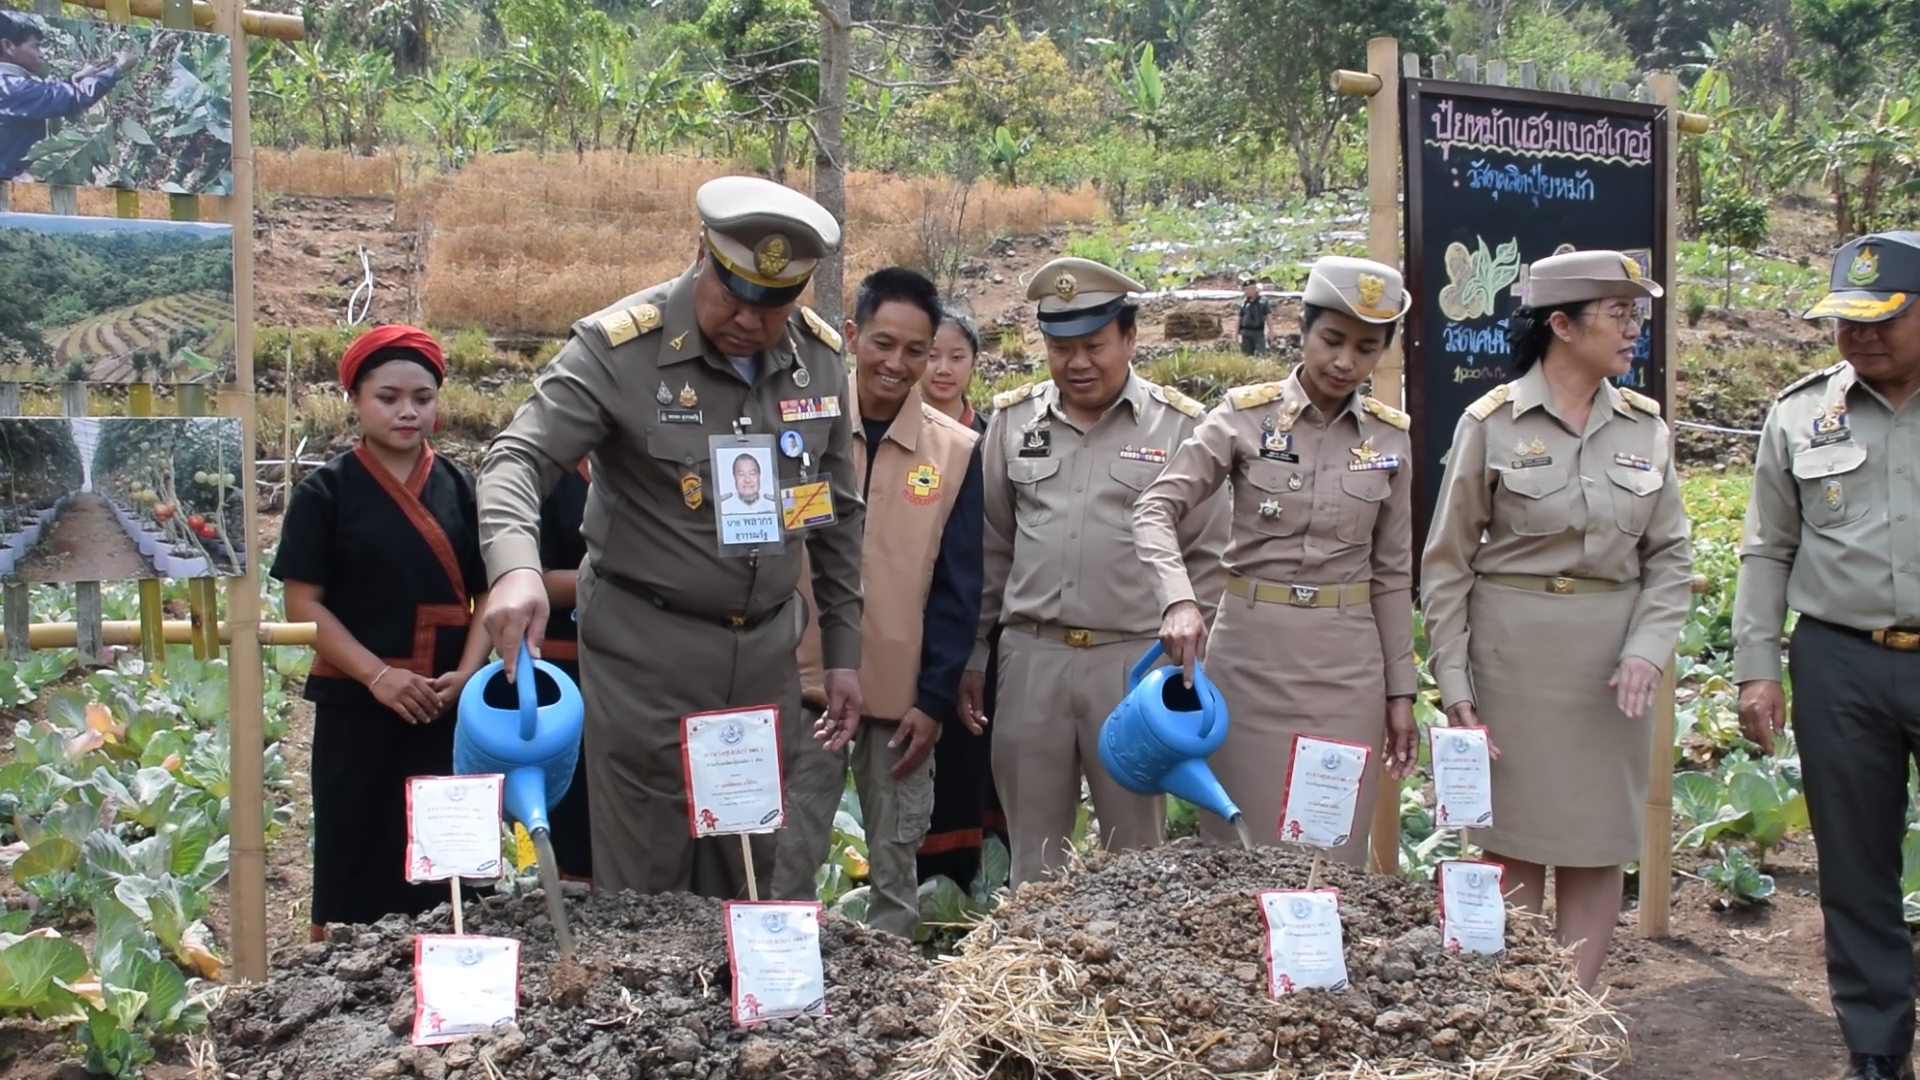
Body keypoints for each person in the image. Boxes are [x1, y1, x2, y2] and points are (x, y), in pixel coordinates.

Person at [476, 176, 867, 899]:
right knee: (647, 884)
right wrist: (515, 568)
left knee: (745, 868)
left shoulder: (816, 359)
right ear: (700, 257)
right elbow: (516, 459)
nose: (748, 320)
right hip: (646, 656)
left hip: (764, 659)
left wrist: (843, 652)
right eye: (733, 295)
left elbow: (836, 514)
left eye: (772, 305)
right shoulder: (620, 349)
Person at [1420, 249, 1693, 990]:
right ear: (1562, 325)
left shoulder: (1644, 428)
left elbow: (1671, 558)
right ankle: (1516, 1008)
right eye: (1618, 313)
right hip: (1512, 665)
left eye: (1636, 314)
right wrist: (1456, 685)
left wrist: (1647, 651)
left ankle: (1573, 1013)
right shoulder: (1491, 423)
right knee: (1510, 843)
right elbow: (1446, 564)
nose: (1633, 329)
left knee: (1596, 845)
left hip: (1610, 673)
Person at [1133, 256, 1419, 865]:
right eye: (1332, 340)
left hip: (1347, 671)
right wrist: (1179, 600)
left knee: (1330, 853)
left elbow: (1394, 574)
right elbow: (1155, 507)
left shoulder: (1389, 438)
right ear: (1302, 329)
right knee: (1242, 853)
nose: (1345, 362)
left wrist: (1401, 693)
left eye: (1366, 348)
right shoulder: (1245, 416)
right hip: (1250, 662)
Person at [965, 256, 1232, 889]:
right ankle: (1035, 951)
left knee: (1135, 860)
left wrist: (1188, 663)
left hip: (1134, 665)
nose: (1077, 363)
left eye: (1094, 345)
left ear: (1130, 338)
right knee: (1034, 859)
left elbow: (1209, 554)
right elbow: (992, 547)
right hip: (1033, 660)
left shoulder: (1180, 427)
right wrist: (975, 653)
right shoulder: (1013, 423)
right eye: (1061, 348)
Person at [1733, 232, 1920, 1080]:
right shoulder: (1801, 413)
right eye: (1847, 321)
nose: (1860, 337)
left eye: (1883, 320)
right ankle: (1876, 1048)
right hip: (1840, 662)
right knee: (1853, 859)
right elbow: (1766, 548)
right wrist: (1756, 668)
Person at [771, 268, 983, 939]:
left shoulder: (955, 451)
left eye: (916, 350)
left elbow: (959, 587)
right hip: (802, 686)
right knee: (788, 852)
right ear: (853, 336)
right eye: (883, 343)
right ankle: (781, 973)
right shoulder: (797, 427)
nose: (897, 363)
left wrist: (934, 699)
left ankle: (890, 984)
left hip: (900, 701)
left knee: (896, 863)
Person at [271, 325, 493, 935]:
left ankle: (457, 960)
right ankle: (348, 969)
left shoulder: (462, 488)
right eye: (388, 397)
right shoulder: (325, 492)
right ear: (355, 401)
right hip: (358, 701)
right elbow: (302, 604)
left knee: (450, 846)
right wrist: (378, 676)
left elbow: (488, 593)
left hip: (447, 701)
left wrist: (467, 674)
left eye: (422, 398)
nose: (407, 412)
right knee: (359, 837)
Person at [914, 305, 1008, 887]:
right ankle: (927, 879)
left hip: (986, 620)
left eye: (957, 356)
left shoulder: (994, 438)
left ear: (975, 362)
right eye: (931, 356)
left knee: (981, 748)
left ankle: (990, 875)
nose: (943, 369)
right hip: (917, 622)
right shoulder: (899, 434)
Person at [534, 458, 593, 883]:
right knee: (577, 802)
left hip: (653, 663)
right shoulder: (546, 474)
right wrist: (616, 577)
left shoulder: (654, 464)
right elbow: (528, 576)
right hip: (567, 666)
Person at [0, 12, 137, 181]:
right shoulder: (12, 88)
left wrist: (73, 79)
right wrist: (119, 68)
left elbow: (44, 91)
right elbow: (74, 97)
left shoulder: (9, 83)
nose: (41, 53)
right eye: (36, 46)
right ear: (8, 46)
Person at [1237, 273, 1274, 357]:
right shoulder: (1243, 302)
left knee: (1260, 355)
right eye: (1245, 289)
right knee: (1246, 355)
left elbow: (1268, 316)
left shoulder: (1263, 301)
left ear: (1254, 289)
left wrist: (1271, 331)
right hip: (1246, 333)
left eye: (1247, 289)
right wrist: (1236, 334)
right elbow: (1239, 318)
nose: (1246, 291)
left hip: (1258, 332)